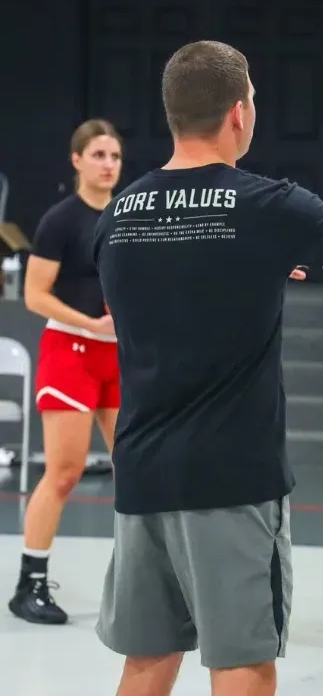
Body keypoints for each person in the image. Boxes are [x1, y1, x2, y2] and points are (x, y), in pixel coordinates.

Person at [92, 40, 323, 696]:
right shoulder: (272, 205)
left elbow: (160, 299)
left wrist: (250, 269)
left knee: (146, 661)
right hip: (232, 477)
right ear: (238, 114)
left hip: (141, 470)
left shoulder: (119, 214)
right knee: (244, 663)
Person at [8, 119, 123, 625]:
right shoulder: (59, 220)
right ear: (77, 160)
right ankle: (29, 582)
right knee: (65, 471)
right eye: (98, 154)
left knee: (139, 470)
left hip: (120, 356)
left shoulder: (127, 216)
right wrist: (93, 323)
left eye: (115, 156)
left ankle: (151, 582)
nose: (108, 164)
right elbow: (35, 295)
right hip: (70, 350)